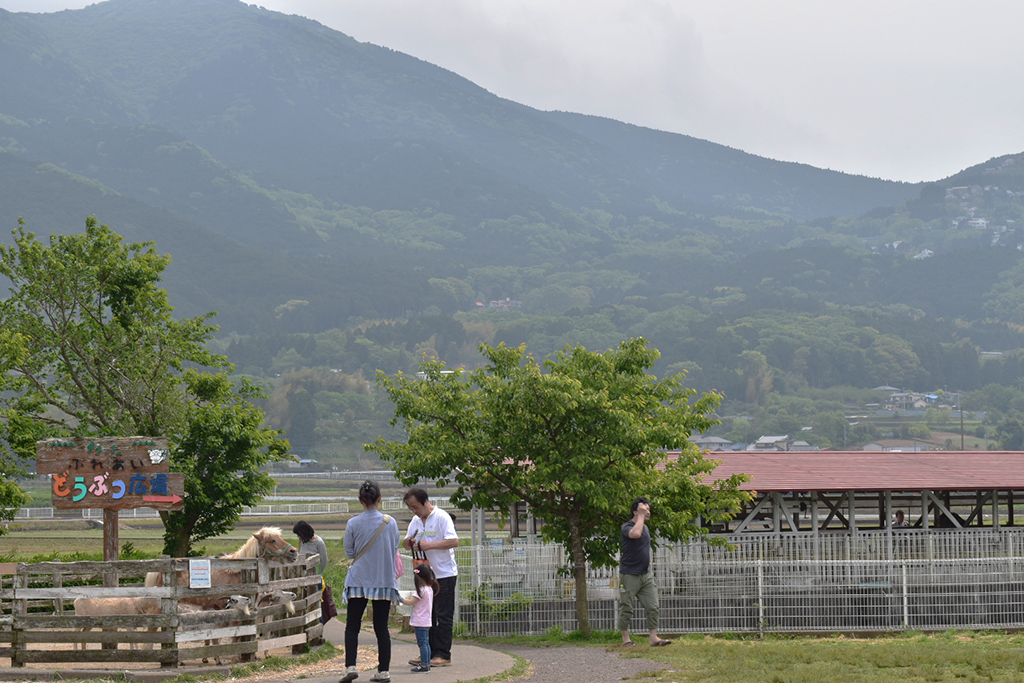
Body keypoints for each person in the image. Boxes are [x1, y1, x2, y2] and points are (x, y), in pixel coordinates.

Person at [341, 480, 401, 683]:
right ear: (380, 498)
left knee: (352, 626)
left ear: (360, 500)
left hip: (359, 579)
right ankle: (383, 671)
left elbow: (349, 552)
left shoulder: (353, 523)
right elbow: (394, 548)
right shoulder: (390, 522)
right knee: (381, 627)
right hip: (383, 580)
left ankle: (350, 667)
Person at [403, 487, 459, 667]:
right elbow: (405, 543)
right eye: (411, 508)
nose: (414, 511)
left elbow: (454, 541)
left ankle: (443, 654)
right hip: (425, 577)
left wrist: (429, 545)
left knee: (443, 615)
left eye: (415, 507)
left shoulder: (442, 517)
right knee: (428, 615)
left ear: (425, 502)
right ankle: (428, 653)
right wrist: (410, 542)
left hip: (444, 574)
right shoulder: (415, 521)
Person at [619, 496, 670, 647]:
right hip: (629, 575)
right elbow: (635, 534)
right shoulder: (626, 527)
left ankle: (654, 638)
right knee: (626, 607)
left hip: (646, 575)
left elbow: (641, 532)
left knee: (653, 606)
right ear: (635, 511)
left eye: (648, 510)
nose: (648, 512)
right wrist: (640, 516)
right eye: (644, 510)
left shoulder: (646, 528)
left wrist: (641, 516)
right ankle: (625, 639)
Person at [403, 562, 439, 673]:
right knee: (426, 643)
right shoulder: (429, 590)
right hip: (426, 621)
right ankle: (426, 663)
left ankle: (424, 665)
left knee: (422, 643)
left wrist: (399, 598)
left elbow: (410, 602)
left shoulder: (420, 591)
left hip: (419, 621)